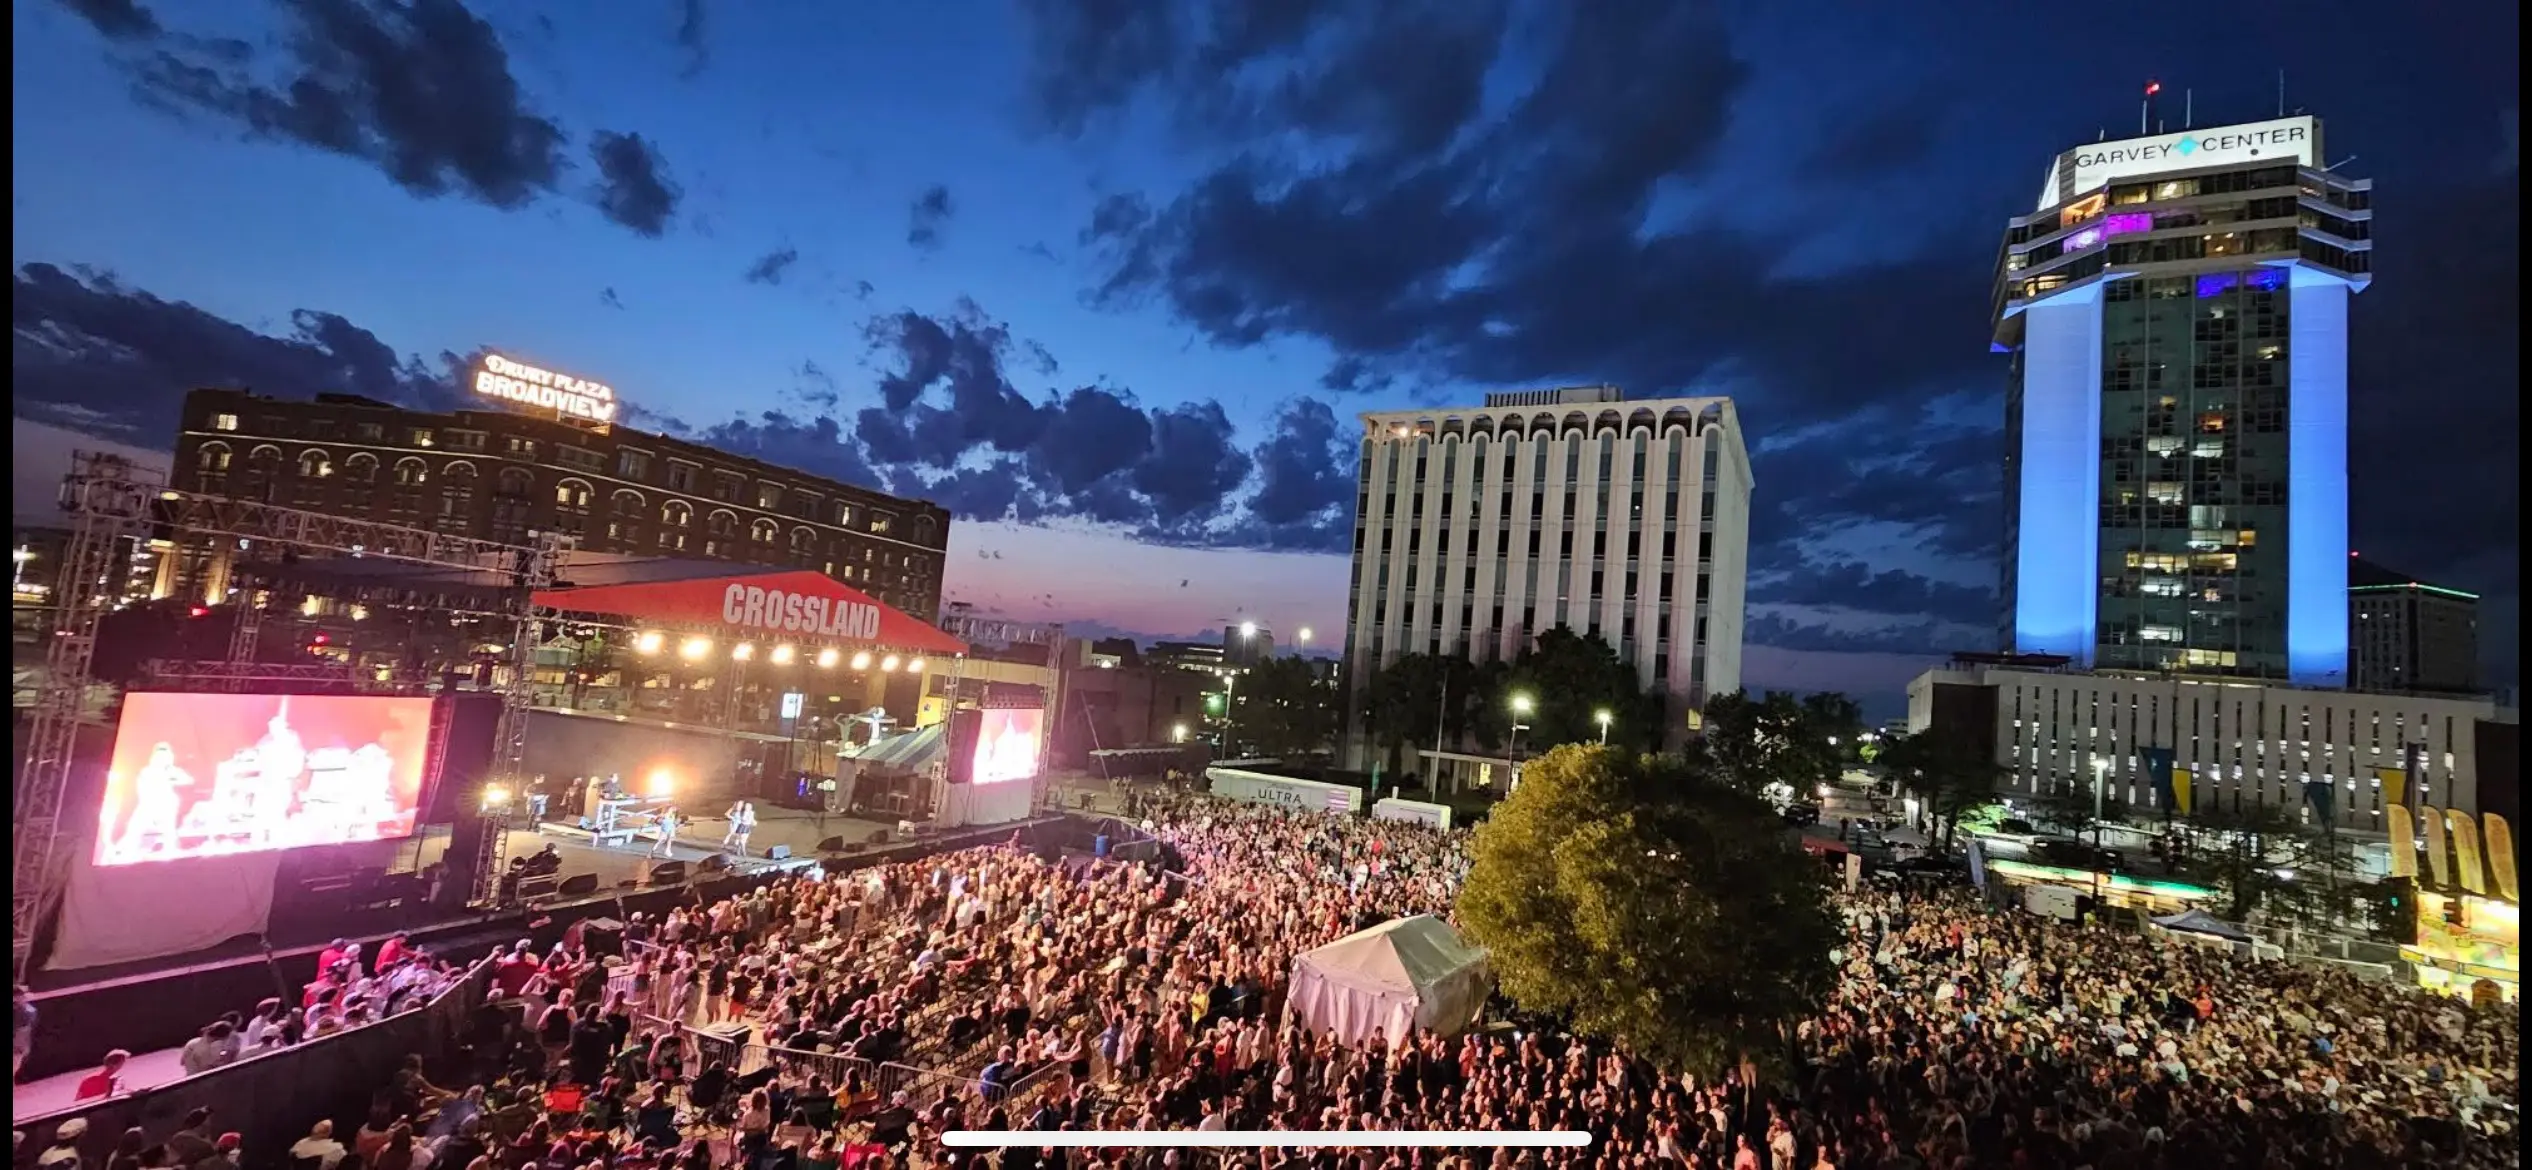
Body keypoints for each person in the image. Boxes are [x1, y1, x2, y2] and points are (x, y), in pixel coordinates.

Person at [13, 984, 34, 1077]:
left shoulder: (29, 1011)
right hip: (18, 1044)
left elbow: (27, 1021)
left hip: (19, 1045)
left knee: (15, 1066)